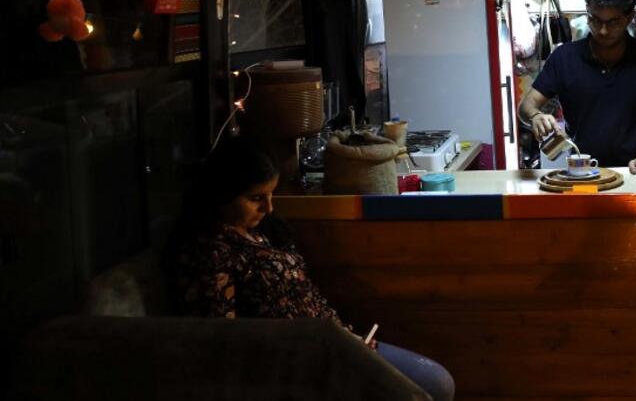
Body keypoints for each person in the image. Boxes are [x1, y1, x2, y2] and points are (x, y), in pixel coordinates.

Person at [166, 136, 454, 401]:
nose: (269, 208)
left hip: (338, 344)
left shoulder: (263, 231)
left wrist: (347, 338)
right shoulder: (209, 252)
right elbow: (224, 339)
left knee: (436, 380)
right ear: (221, 195)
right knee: (430, 386)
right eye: (255, 198)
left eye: (271, 195)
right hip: (299, 367)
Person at [519, 0, 636, 181]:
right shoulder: (565, 57)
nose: (602, 30)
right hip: (580, 171)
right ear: (587, 11)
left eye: (613, 22)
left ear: (629, 16)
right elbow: (526, 106)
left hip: (633, 171)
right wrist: (536, 116)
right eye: (595, 19)